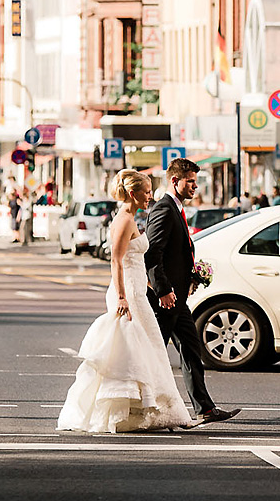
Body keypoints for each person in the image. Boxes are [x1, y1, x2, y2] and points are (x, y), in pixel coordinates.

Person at [57, 169, 194, 433]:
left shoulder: (131, 218)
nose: (149, 197)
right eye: (146, 192)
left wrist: (154, 286)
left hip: (138, 290)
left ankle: (151, 409)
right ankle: (140, 410)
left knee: (147, 349)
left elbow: (137, 260)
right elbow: (116, 261)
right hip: (128, 294)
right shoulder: (123, 220)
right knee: (135, 349)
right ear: (133, 193)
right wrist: (121, 296)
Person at [144, 157, 240, 427]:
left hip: (177, 297)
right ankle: (141, 404)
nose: (195, 187)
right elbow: (152, 253)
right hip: (166, 298)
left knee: (191, 348)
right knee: (155, 354)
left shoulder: (176, 208)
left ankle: (204, 408)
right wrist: (162, 289)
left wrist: (191, 275)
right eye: (190, 182)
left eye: (195, 182)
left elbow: (177, 251)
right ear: (175, 181)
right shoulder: (164, 209)